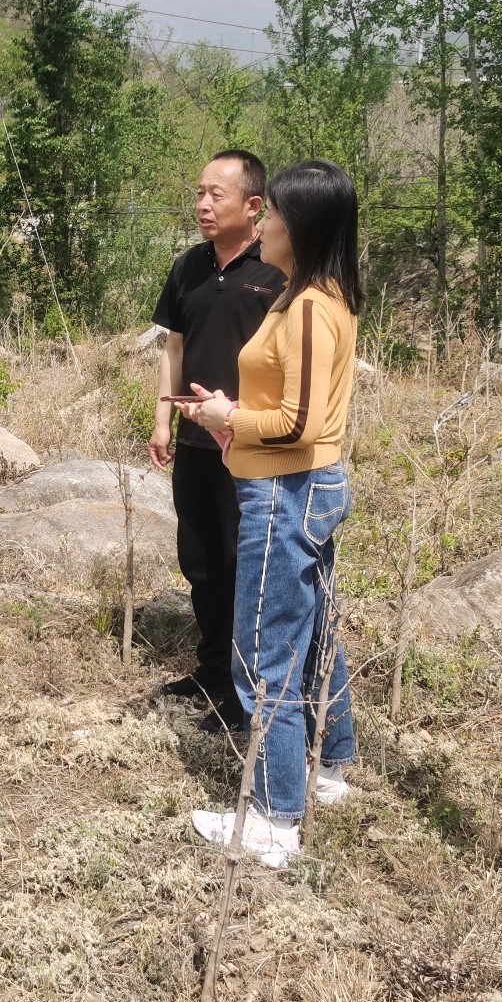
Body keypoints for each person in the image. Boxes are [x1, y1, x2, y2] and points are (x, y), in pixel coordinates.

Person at [175, 159, 364, 869]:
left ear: (301, 225)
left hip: (288, 489)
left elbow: (299, 424)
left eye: (275, 215)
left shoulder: (313, 306)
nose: (266, 226)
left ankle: (275, 819)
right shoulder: (308, 294)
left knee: (263, 652)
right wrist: (229, 424)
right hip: (292, 481)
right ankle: (330, 760)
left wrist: (231, 416)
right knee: (311, 628)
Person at [149, 150, 285, 733]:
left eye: (217, 194)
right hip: (196, 442)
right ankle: (209, 668)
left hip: (251, 446)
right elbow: (174, 348)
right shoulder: (188, 267)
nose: (204, 204)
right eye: (199, 192)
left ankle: (243, 689)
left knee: (242, 567)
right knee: (200, 560)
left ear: (253, 206)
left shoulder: (277, 270)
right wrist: (163, 419)